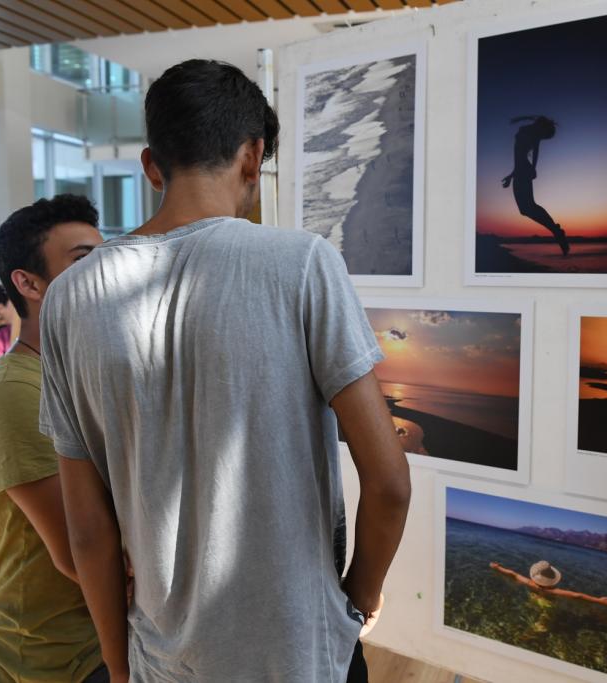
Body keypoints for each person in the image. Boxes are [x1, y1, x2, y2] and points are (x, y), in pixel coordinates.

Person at [38, 59, 411, 683]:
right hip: (301, 652)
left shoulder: (69, 298)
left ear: (151, 165)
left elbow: (88, 531)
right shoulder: (302, 263)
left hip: (162, 657)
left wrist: (120, 667)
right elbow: (390, 482)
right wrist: (358, 599)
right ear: (252, 157)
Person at [0, 194, 107, 683]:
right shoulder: (12, 396)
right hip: (51, 659)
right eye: (84, 261)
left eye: (106, 258)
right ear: (28, 283)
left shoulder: (85, 376)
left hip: (103, 638)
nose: (105, 274)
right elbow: (82, 553)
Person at [501, 115, 569, 256]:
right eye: (545, 136)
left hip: (523, 170)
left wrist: (532, 168)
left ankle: (556, 231)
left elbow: (527, 154)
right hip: (521, 170)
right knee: (526, 208)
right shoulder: (531, 132)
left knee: (528, 207)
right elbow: (520, 157)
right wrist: (512, 175)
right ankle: (556, 231)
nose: (542, 138)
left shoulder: (531, 133)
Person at [489, 560, 607, 608]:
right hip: (547, 603)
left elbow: (513, 574)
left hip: (533, 597)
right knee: (544, 618)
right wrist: (600, 601)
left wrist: (497, 567)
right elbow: (577, 596)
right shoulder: (554, 591)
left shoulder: (529, 582)